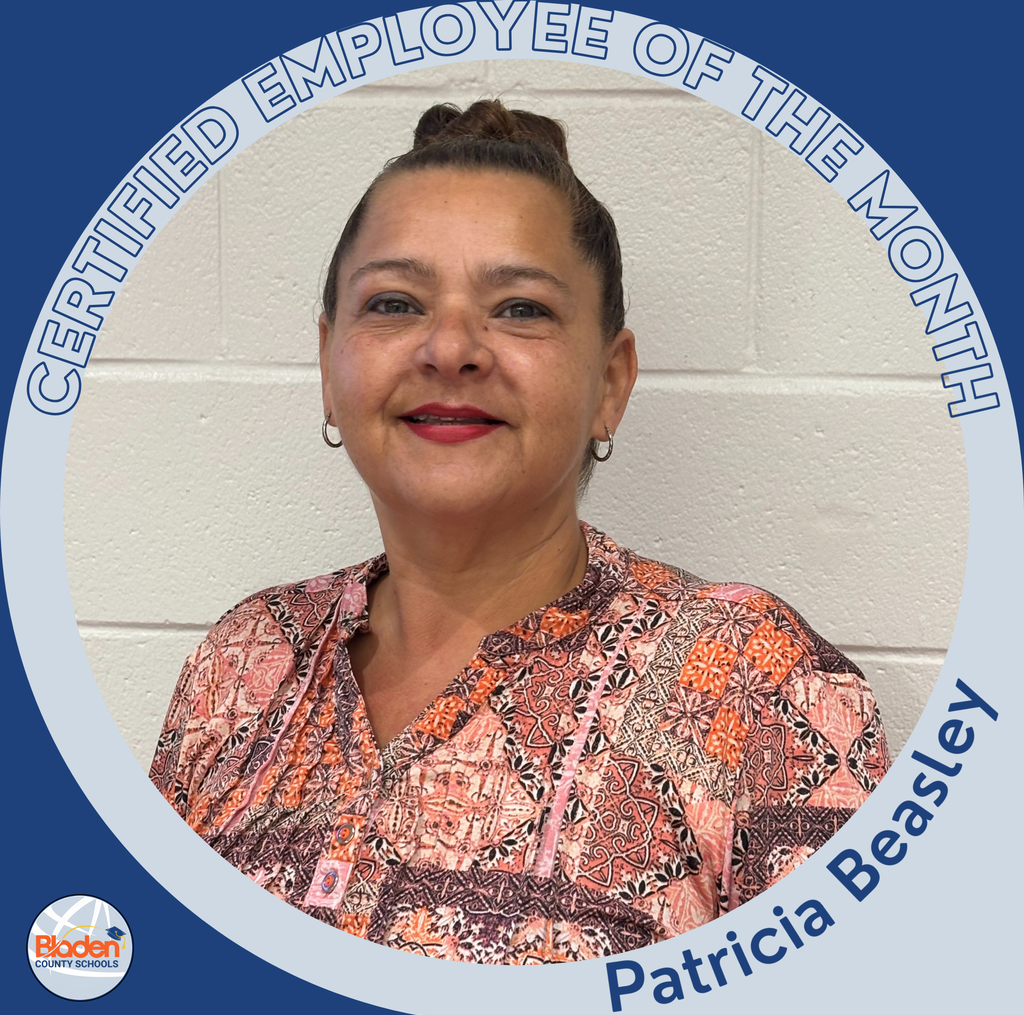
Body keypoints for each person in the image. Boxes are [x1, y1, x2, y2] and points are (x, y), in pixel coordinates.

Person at [150, 99, 889, 964]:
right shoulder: (245, 660)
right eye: (394, 302)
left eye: (521, 310)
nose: (452, 347)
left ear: (610, 382)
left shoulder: (752, 678)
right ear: (328, 363)